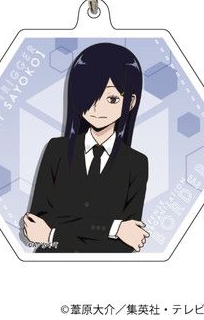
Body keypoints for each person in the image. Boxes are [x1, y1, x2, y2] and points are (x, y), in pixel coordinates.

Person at [22, 42, 150, 253]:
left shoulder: (136, 163)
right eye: (89, 95)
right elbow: (36, 225)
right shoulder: (57, 150)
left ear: (130, 102)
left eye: (112, 99)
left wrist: (52, 234)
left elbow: (129, 241)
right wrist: (114, 228)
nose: (97, 108)